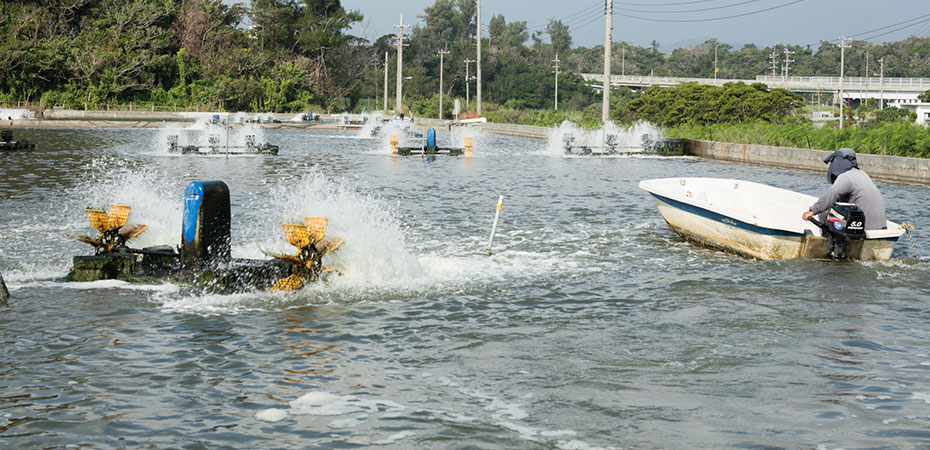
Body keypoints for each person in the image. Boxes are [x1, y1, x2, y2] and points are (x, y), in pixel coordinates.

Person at [801, 147, 887, 230]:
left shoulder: (846, 177)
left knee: (825, 211)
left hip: (865, 228)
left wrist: (813, 211)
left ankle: (827, 241)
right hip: (881, 226)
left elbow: (832, 194)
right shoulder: (862, 174)